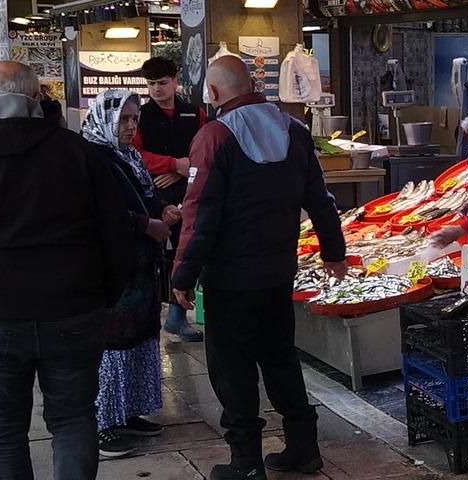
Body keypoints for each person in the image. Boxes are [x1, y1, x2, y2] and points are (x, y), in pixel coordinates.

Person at [0, 61, 134, 480]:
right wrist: (102, 293)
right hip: (73, 305)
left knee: (3, 428)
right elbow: (117, 233)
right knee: (72, 419)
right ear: (36, 98)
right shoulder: (76, 150)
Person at [171, 56, 348, 480]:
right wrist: (334, 251)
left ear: (212, 93)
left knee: (232, 367)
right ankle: (304, 450)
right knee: (280, 357)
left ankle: (246, 462)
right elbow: (320, 199)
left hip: (230, 279)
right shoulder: (294, 130)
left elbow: (199, 214)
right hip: (277, 272)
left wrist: (182, 274)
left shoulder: (214, 137)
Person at [82, 89, 181, 458]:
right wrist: (144, 225)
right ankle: (104, 422)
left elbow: (144, 195)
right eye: (123, 119)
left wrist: (164, 209)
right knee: (112, 345)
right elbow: (96, 214)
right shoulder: (92, 156)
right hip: (113, 271)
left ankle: (128, 411)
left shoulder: (129, 154)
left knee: (139, 338)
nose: (129, 126)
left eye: (134, 119)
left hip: (140, 270)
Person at [133, 57, 206, 343]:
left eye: (162, 83)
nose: (156, 90)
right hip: (151, 194)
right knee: (151, 253)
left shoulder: (194, 113)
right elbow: (136, 155)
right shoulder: (139, 116)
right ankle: (150, 312)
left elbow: (202, 152)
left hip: (189, 191)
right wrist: (174, 164)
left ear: (175, 81)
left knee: (185, 252)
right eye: (151, 84)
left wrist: (179, 172)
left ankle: (177, 315)